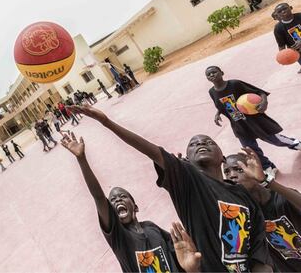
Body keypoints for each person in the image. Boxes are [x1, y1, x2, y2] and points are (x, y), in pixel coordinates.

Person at [68, 104, 273, 272]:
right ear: (186, 162)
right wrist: (107, 123)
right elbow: (153, 152)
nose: (200, 143)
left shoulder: (243, 197)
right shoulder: (189, 183)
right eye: (193, 145)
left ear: (222, 156)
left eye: (208, 141)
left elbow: (258, 249)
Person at [61, 131, 201, 272]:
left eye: (122, 196)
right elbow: (98, 197)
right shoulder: (120, 238)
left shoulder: (152, 228)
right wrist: (82, 159)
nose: (117, 200)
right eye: (113, 200)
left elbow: (180, 254)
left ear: (135, 207)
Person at [207, 65, 301, 178]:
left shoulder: (235, 84)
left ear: (222, 73)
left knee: (275, 140)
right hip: (239, 125)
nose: (211, 75)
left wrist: (264, 103)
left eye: (214, 72)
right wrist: (218, 113)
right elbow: (222, 103)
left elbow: (259, 92)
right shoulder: (212, 92)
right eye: (208, 74)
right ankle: (269, 167)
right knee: (251, 150)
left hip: (254, 121)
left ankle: (295, 144)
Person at [224, 148, 301, 272]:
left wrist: (267, 181)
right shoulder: (245, 215)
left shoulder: (282, 197)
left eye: (239, 169)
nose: (232, 175)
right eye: (226, 172)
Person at [273, 3, 301, 74]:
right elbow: (281, 45)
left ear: (291, 8)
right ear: (277, 15)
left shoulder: (300, 16)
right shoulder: (278, 28)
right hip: (297, 51)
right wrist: (282, 57)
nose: (283, 11)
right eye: (279, 11)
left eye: (285, 8)